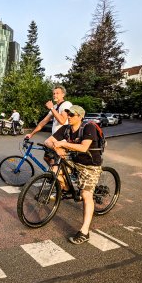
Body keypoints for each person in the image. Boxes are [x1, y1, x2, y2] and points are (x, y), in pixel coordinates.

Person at [44, 105, 103, 245]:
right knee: (54, 169)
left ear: (80, 116)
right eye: (68, 114)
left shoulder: (89, 128)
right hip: (74, 160)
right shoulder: (66, 128)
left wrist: (61, 145)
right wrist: (56, 148)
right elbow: (48, 141)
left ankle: (84, 231)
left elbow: (83, 147)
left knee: (86, 195)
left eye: (72, 115)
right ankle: (64, 187)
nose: (68, 117)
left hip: (90, 165)